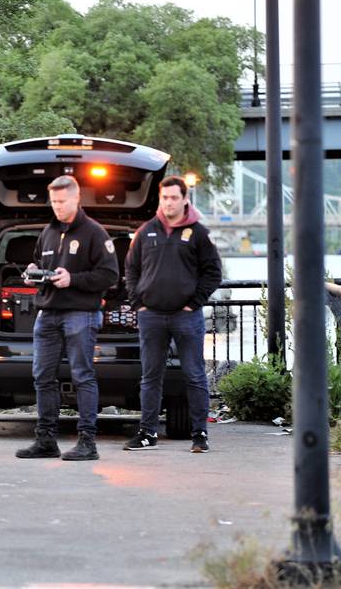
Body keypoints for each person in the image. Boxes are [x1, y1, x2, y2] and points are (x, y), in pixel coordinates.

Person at [15, 175, 119, 461]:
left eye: (62, 202)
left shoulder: (94, 233)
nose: (58, 207)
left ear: (76, 198)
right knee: (42, 377)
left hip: (80, 314)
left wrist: (72, 279)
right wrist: (34, 272)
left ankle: (88, 442)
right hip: (47, 313)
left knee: (82, 375)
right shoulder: (48, 231)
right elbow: (39, 262)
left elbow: (110, 275)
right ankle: (46, 440)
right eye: (54, 202)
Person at [124, 175, 222, 453]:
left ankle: (200, 434)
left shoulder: (198, 233)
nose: (168, 202)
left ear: (184, 200)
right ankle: (147, 433)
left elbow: (213, 272)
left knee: (194, 375)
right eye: (164, 197)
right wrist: (137, 303)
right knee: (150, 376)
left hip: (186, 317)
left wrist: (195, 302)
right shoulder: (146, 232)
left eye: (174, 198)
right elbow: (130, 270)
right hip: (151, 315)